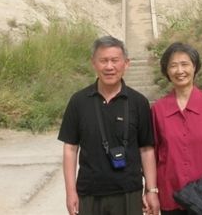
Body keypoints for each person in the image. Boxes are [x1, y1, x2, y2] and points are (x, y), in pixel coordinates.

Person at [58, 36, 160, 215]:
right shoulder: (79, 101)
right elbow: (70, 149)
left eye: (115, 60)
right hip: (89, 192)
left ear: (126, 63)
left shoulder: (138, 102)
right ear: (94, 63)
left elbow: (146, 149)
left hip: (129, 191)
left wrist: (151, 190)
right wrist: (70, 192)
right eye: (103, 60)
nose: (109, 66)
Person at [151, 42, 202, 214]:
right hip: (172, 197)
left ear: (194, 67)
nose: (179, 70)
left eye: (185, 64)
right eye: (173, 65)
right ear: (166, 71)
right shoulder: (158, 109)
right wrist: (151, 190)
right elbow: (153, 154)